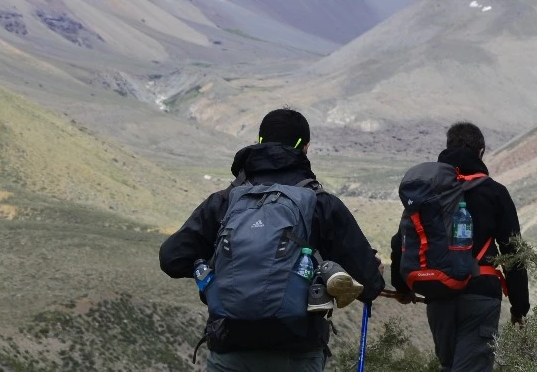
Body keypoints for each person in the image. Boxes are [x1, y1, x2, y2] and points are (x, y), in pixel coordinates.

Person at [160, 108, 386, 372]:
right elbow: (369, 285)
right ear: (305, 148)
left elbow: (171, 259)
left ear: (258, 142)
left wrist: (217, 268)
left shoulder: (224, 202)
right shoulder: (321, 203)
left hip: (230, 349)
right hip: (297, 352)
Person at [392, 122, 530, 372]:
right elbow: (513, 251)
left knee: (449, 366)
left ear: (447, 148)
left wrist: (402, 287)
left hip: (437, 291)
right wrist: (520, 306)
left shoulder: (429, 192)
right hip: (480, 293)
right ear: (481, 152)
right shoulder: (494, 192)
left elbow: (402, 237)